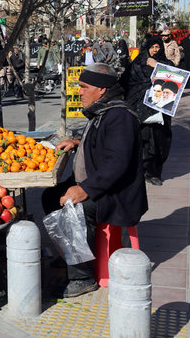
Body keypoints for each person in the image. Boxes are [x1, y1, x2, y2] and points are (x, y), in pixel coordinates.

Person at [42, 63, 148, 298]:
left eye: (84, 87)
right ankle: (72, 256)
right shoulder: (103, 109)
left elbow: (117, 163)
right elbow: (104, 143)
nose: (79, 92)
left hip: (117, 194)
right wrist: (77, 143)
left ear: (101, 89)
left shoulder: (119, 116)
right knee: (50, 197)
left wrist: (84, 189)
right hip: (101, 185)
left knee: (73, 207)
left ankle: (83, 277)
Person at [122, 36, 172, 186]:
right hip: (139, 110)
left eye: (158, 47)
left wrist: (157, 66)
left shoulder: (165, 64)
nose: (155, 50)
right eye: (153, 47)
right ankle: (138, 172)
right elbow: (128, 82)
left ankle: (153, 173)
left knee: (158, 141)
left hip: (159, 113)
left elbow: (174, 79)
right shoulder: (138, 63)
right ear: (147, 48)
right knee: (140, 141)